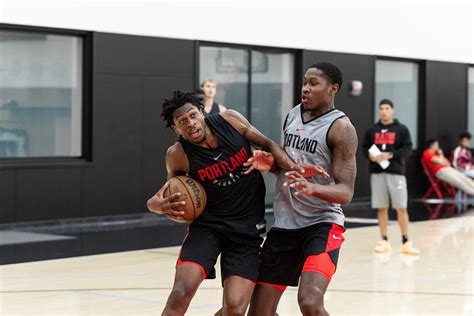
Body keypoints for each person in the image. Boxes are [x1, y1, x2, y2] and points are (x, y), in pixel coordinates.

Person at [147, 91, 310, 316]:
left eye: (193, 115)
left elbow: (267, 143)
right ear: (176, 129)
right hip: (207, 228)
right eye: (182, 122)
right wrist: (154, 206)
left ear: (202, 113)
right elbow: (169, 196)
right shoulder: (177, 154)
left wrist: (294, 170)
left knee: (234, 309)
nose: (190, 123)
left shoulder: (229, 120)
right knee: (180, 293)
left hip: (246, 231)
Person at [246, 62, 358, 316]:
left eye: (313, 84)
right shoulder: (293, 114)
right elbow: (290, 166)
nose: (305, 89)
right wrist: (273, 166)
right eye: (304, 82)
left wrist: (312, 188)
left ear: (333, 89)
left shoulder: (341, 128)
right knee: (259, 312)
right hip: (285, 225)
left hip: (322, 224)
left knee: (309, 301)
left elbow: (346, 192)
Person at [362, 99, 420, 255]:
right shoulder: (372, 131)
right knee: (382, 207)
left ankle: (405, 241)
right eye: (381, 108)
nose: (384, 111)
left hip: (396, 172)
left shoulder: (401, 129)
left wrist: (391, 154)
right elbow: (364, 148)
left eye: (387, 108)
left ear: (392, 110)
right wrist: (371, 156)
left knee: (401, 207)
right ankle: (384, 240)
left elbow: (407, 148)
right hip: (377, 173)